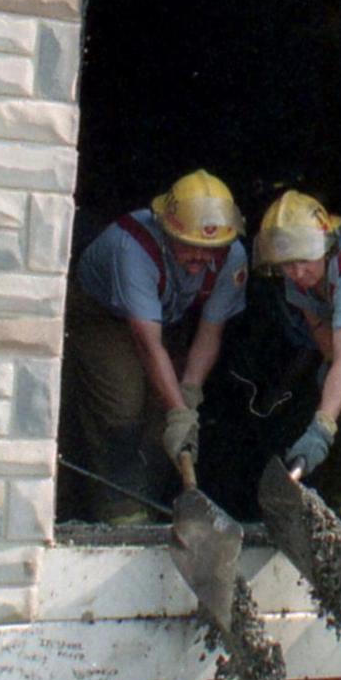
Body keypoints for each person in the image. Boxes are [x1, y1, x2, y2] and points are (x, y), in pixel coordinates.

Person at [63, 169, 248, 523]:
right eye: (189, 244)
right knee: (123, 409)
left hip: (167, 314)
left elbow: (210, 332)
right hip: (104, 316)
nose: (200, 257)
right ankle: (118, 514)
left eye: (210, 248)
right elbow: (148, 346)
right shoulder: (131, 247)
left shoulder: (232, 257)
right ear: (166, 230)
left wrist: (188, 394)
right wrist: (180, 410)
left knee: (163, 419)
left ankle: (147, 506)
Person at [254, 190, 341, 515]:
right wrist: (329, 383)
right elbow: (326, 344)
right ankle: (326, 502)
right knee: (331, 391)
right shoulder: (295, 278)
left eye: (303, 260)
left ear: (325, 245)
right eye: (287, 264)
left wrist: (322, 429)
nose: (297, 273)